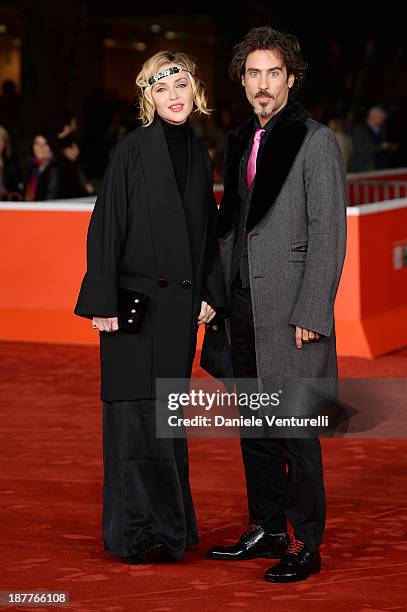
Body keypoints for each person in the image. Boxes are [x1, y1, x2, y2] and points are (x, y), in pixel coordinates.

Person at [74, 50, 226, 564]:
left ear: (194, 89)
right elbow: (106, 224)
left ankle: (172, 525)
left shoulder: (201, 154)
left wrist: (209, 291)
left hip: (178, 313)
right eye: (161, 89)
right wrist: (103, 298)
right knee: (135, 421)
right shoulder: (132, 150)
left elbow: (206, 232)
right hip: (133, 309)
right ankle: (140, 533)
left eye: (180, 84)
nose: (173, 96)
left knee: (167, 419)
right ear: (148, 98)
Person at [207, 26, 347, 583]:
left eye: (273, 73)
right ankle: (265, 527)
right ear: (242, 81)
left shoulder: (315, 141)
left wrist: (313, 312)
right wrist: (216, 299)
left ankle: (304, 543)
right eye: (253, 74)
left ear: (291, 77)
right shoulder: (239, 139)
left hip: (292, 312)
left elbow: (329, 234)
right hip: (242, 305)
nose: (262, 85)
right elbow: (232, 227)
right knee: (256, 427)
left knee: (295, 430)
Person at [351, 106, 399, 171]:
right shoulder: (359, 129)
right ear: (373, 117)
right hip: (365, 166)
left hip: (383, 165)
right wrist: (380, 146)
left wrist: (390, 147)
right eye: (381, 117)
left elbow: (384, 146)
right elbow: (358, 149)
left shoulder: (383, 128)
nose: (383, 120)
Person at [23, 131, 58, 201]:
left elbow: (51, 199)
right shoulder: (32, 166)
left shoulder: (54, 168)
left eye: (45, 144)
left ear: (50, 147)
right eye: (37, 144)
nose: (40, 148)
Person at [0, 125, 23, 200]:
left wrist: (10, 193)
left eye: (2, 139)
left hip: (7, 205)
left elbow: (17, 188)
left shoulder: (12, 163)